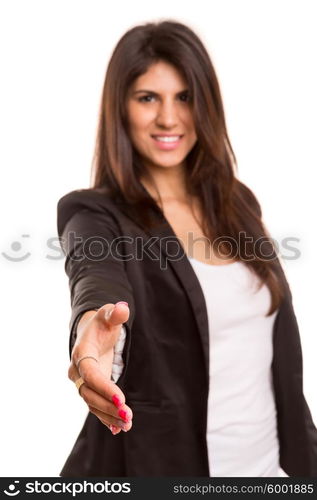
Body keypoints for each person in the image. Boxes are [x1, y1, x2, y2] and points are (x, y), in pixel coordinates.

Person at [57, 20, 317, 477]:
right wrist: (90, 331)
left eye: (184, 97)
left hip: (271, 471)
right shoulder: (95, 215)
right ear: (120, 108)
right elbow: (94, 277)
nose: (169, 119)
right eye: (147, 98)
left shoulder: (237, 203)